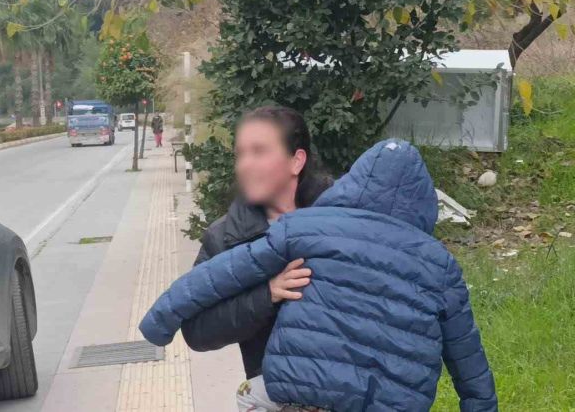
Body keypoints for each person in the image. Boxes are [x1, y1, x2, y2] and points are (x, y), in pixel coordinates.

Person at [140, 139, 498, 412]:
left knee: (248, 394)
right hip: (392, 402)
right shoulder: (439, 263)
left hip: (303, 391)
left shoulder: (304, 227)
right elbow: (468, 359)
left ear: (354, 184)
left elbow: (221, 274)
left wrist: (161, 320)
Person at [180, 106, 333, 400]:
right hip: (280, 397)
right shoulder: (225, 237)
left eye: (259, 151)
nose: (245, 165)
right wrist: (266, 295)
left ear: (296, 161)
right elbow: (196, 329)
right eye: (240, 154)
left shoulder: (344, 216)